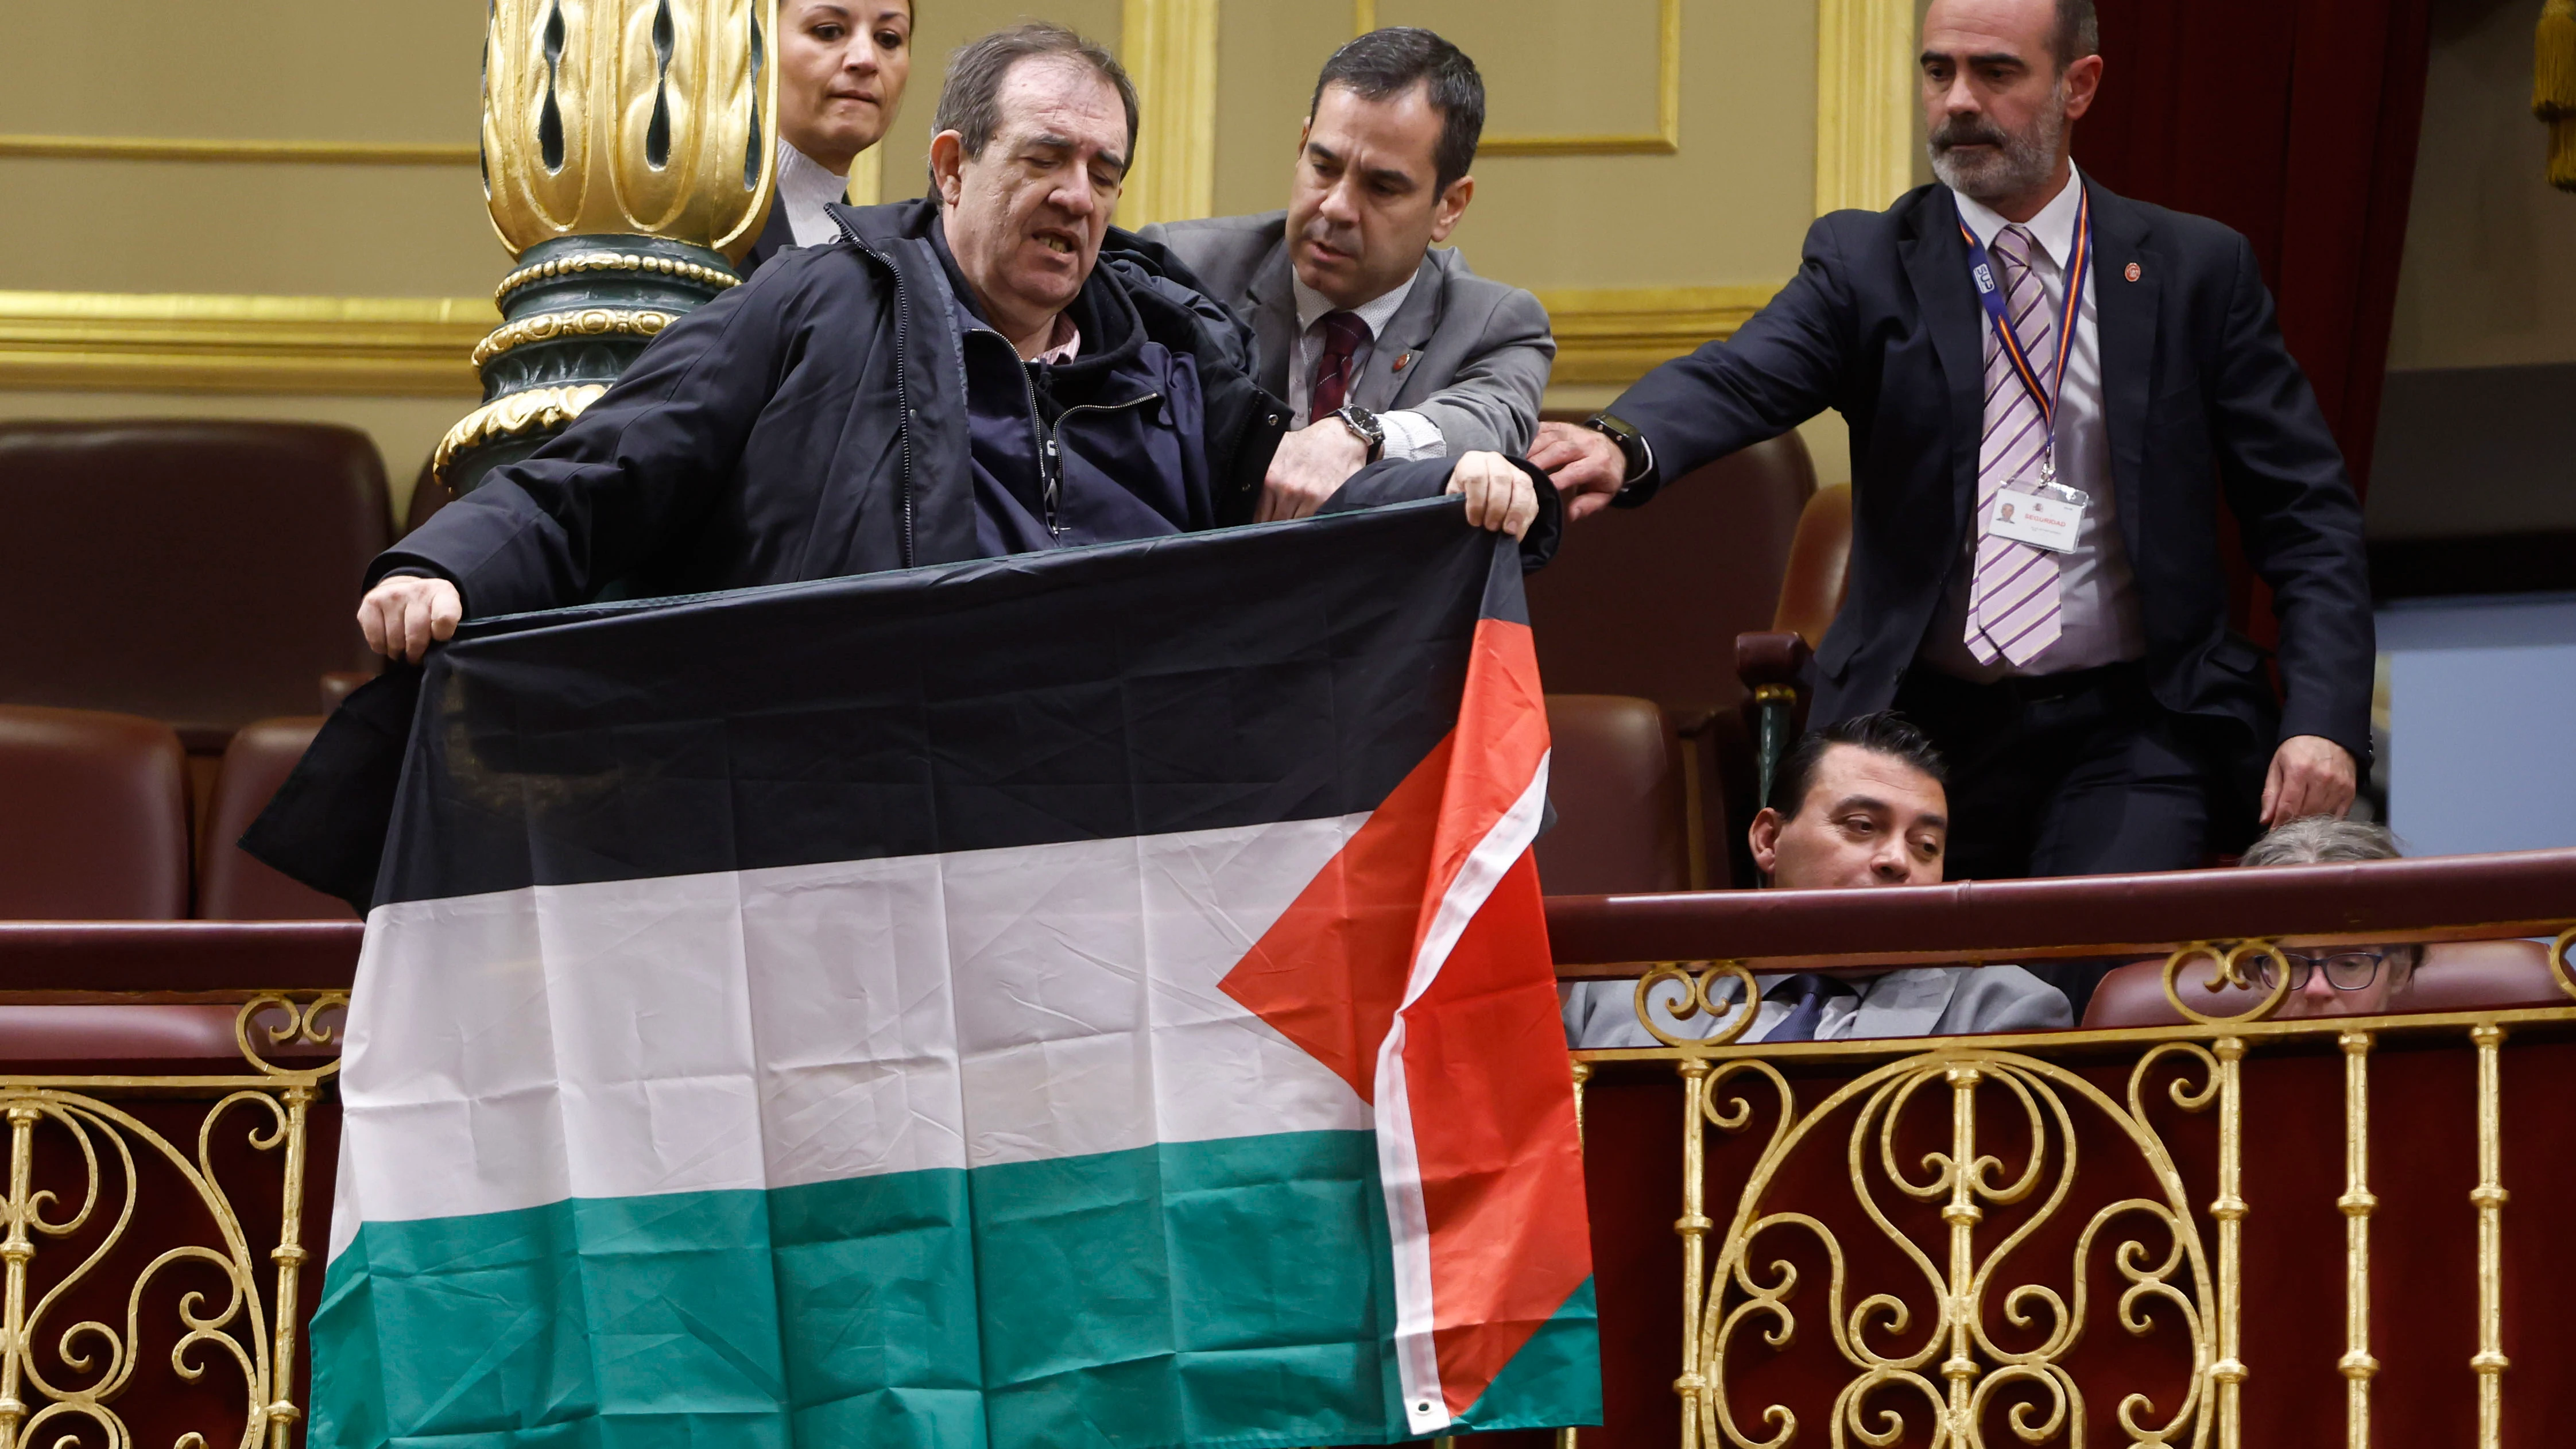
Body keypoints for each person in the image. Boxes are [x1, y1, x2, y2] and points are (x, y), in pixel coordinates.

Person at [357, 24, 1549, 664]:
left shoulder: (1170, 347)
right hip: (866, 794)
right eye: (1042, 158)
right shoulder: (817, 303)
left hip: (1118, 813)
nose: (1078, 197)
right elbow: (607, 470)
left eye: (1101, 171)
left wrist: (1453, 487)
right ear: (949, 165)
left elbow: (1302, 501)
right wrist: (441, 566)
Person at [1528, 0, 2373, 897]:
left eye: (1994, 73)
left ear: (2077, 86)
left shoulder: (2192, 270)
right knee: (1879, 986)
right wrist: (1623, 441)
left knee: (2075, 974)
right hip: (1913, 721)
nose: (1957, 101)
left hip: (2132, 720)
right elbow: (1742, 377)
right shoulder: (1866, 262)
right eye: (1937, 72)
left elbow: (2304, 516)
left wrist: (2321, 721)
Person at [1138, 28, 1554, 525]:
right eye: (1323, 166)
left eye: (1381, 187)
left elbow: (1487, 420)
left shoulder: (1494, 324)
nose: (1336, 207)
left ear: (1448, 206)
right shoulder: (1182, 268)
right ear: (1301, 145)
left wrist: (1355, 435)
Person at [1562, 713, 2070, 1049]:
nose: (1897, 860)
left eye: (1926, 846)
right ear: (1767, 840)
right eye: (1862, 827)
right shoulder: (1622, 994)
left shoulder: (1999, 1011)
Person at [742, 0, 915, 276]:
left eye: (888, 39)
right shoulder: (705, 216)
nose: (866, 59)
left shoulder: (887, 266)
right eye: (829, 31)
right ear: (757, 44)